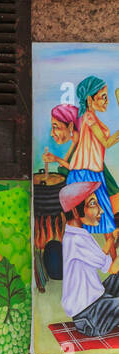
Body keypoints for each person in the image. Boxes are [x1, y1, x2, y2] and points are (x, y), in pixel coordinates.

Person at [59, 181, 119, 338]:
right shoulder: (77, 240)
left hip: (93, 306)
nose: (100, 210)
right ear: (75, 211)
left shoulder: (78, 234)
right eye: (93, 204)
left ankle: (111, 307)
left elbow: (100, 259)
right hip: (91, 317)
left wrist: (110, 240)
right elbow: (112, 268)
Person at [68, 76, 119, 236]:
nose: (107, 101)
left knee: (104, 217)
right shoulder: (89, 116)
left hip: (93, 172)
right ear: (90, 99)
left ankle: (111, 257)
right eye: (103, 97)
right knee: (98, 217)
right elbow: (106, 142)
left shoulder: (91, 116)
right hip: (85, 173)